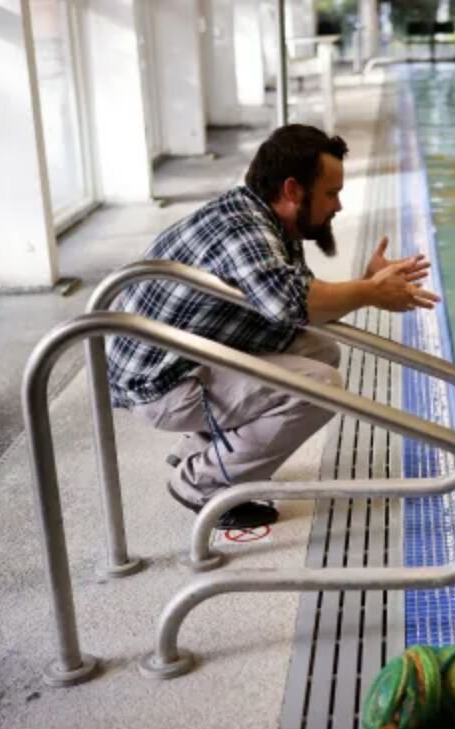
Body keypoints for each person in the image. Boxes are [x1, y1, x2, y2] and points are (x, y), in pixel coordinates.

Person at [106, 124, 438, 529]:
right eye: (331, 193)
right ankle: (200, 483)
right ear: (293, 190)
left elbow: (298, 309)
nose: (338, 206)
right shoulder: (244, 230)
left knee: (320, 350)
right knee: (320, 387)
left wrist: (365, 284)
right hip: (160, 385)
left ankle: (201, 446)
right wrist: (368, 292)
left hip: (180, 361)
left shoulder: (271, 220)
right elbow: (291, 302)